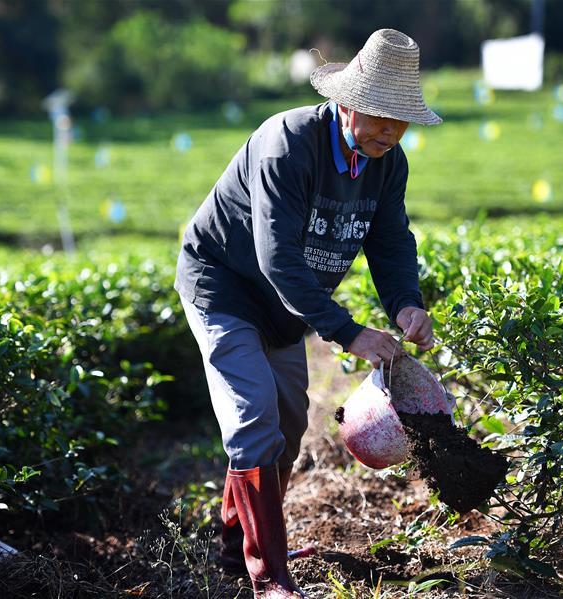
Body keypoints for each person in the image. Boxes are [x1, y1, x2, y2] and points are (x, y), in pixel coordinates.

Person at [175, 28, 442, 598]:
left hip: (284, 307)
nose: (391, 131)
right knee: (253, 418)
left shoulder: (388, 163)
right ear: (348, 102)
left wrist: (406, 304)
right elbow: (278, 258)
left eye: (401, 121)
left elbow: (390, 240)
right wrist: (348, 333)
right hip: (225, 288)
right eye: (380, 116)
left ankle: (233, 548)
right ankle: (269, 577)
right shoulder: (287, 144)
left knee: (289, 425)